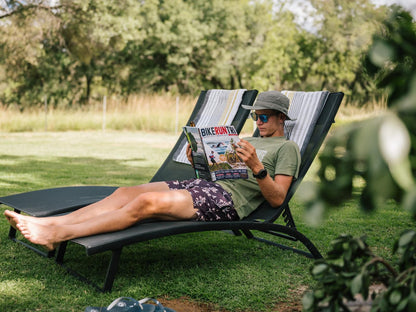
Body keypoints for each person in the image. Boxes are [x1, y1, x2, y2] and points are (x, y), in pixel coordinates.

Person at [4, 91, 300, 251]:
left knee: (144, 205)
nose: (257, 121)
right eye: (255, 116)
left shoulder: (287, 149)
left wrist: (257, 168)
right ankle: (51, 223)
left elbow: (277, 199)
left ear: (281, 118)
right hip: (210, 189)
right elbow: (214, 176)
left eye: (263, 117)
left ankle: (59, 234)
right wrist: (200, 157)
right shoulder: (245, 139)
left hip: (230, 203)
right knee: (126, 192)